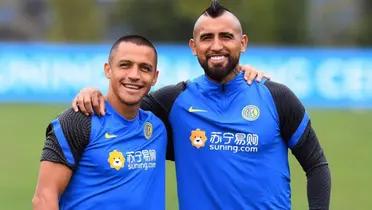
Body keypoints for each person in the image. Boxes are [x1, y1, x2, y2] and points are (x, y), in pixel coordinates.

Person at [73, 1, 331, 209]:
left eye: (226, 37)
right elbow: (123, 105)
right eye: (207, 38)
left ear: (243, 43)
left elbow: (316, 166)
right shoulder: (171, 102)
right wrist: (92, 92)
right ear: (194, 47)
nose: (216, 46)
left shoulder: (277, 98)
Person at [32, 35, 167, 210]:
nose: (134, 75)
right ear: (108, 69)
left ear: (155, 76)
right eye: (125, 65)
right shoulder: (78, 121)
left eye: (145, 68)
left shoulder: (158, 126)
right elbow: (44, 198)